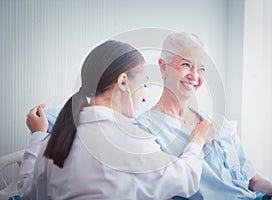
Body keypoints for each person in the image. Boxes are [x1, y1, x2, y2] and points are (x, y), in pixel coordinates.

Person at [18, 40, 212, 199]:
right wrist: (197, 141)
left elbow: (27, 193)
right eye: (144, 84)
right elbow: (187, 179)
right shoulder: (133, 143)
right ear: (123, 82)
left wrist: (37, 136)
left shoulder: (53, 141)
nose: (144, 97)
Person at [136, 32, 272, 200]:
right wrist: (197, 141)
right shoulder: (145, 130)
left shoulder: (220, 123)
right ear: (163, 66)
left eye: (201, 69)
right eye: (186, 65)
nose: (195, 76)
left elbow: (250, 179)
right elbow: (160, 192)